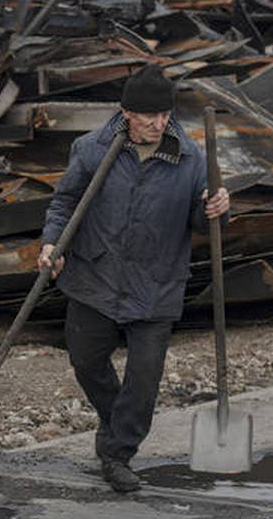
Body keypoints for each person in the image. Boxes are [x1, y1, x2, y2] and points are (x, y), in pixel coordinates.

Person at [39, 68, 229, 493]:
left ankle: (117, 454)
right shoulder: (91, 150)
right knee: (86, 362)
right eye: (148, 117)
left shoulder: (192, 159)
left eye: (164, 115)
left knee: (144, 381)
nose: (158, 125)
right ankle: (114, 423)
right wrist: (52, 244)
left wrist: (217, 206)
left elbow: (202, 222)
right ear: (126, 114)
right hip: (95, 276)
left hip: (156, 283)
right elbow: (65, 202)